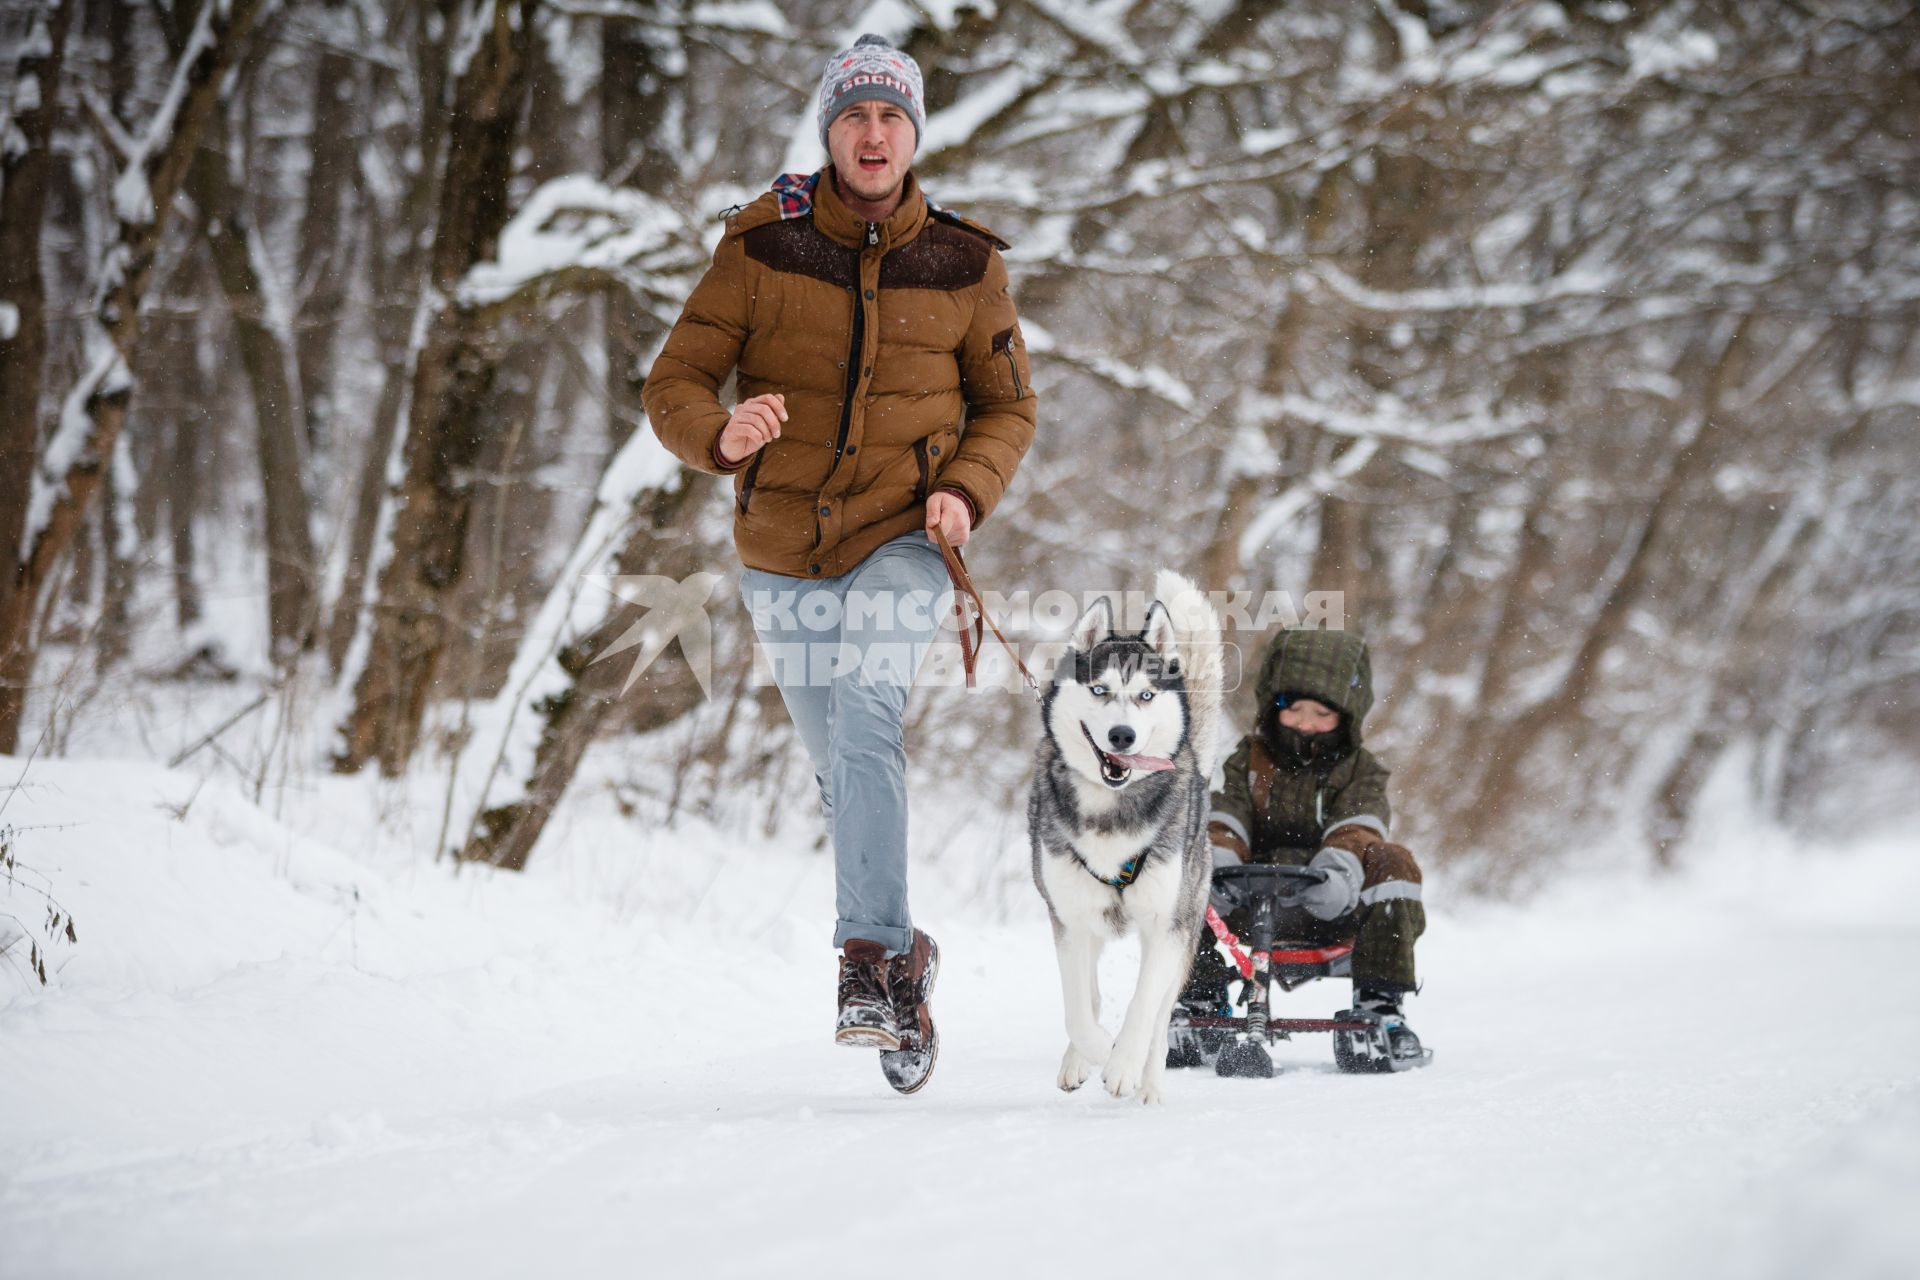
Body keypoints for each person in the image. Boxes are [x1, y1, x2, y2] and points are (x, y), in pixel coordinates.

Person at [642, 34, 1037, 1094]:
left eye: (892, 118)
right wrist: (719, 434)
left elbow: (1008, 405)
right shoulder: (761, 247)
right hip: (781, 551)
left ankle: (867, 965)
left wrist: (966, 487)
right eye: (855, 116)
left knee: (867, 710)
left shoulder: (965, 264)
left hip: (906, 538)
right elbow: (674, 378)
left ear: (914, 136)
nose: (873, 135)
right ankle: (909, 950)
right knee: (839, 766)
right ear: (830, 131)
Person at [1180, 626, 1428, 1058]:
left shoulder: (1361, 771)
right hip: (1246, 898)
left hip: (1329, 904)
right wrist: (1215, 866)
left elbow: (1357, 828)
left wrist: (1334, 876)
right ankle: (1198, 991)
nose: (1306, 724)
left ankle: (1381, 1003)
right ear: (1272, 706)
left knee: (1393, 862)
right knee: (1183, 860)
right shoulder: (1248, 759)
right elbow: (1226, 816)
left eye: (1321, 713)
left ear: (1345, 715)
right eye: (1293, 709)